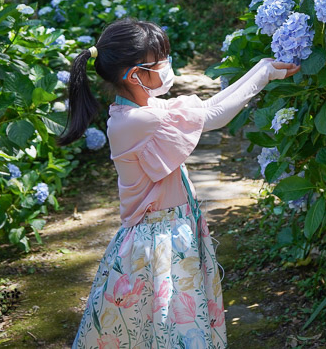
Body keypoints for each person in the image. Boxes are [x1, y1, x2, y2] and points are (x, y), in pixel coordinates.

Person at [60, 18, 299, 348]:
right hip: (157, 244)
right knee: (171, 331)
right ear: (134, 74)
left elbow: (207, 107)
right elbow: (214, 118)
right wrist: (263, 74)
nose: (167, 66)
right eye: (160, 61)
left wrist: (262, 68)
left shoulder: (141, 108)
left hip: (169, 234)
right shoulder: (141, 120)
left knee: (161, 332)